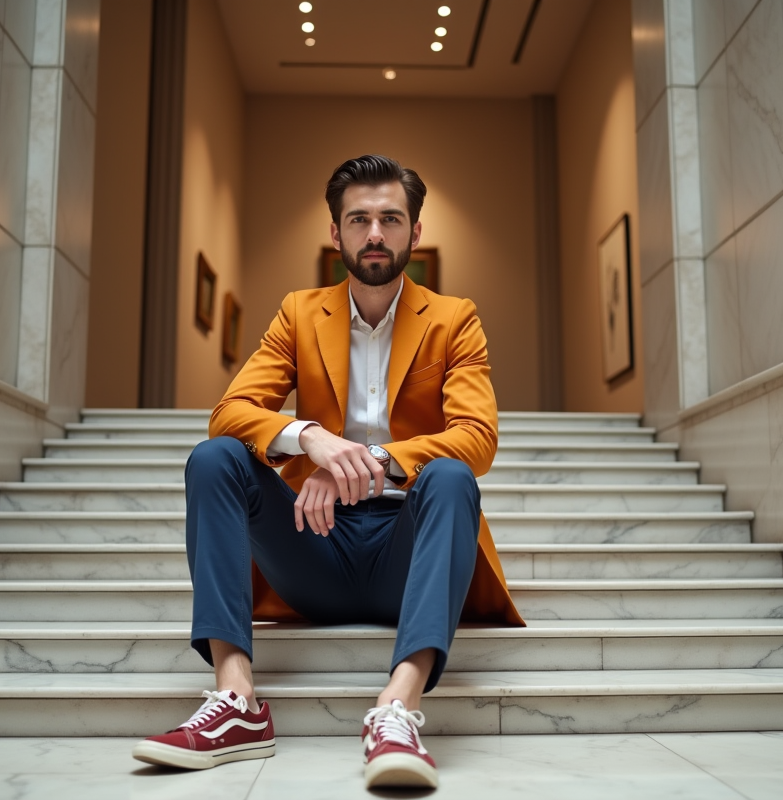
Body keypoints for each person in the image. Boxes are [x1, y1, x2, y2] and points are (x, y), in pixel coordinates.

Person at [131, 154, 522, 789]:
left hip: (407, 554)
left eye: (391, 219)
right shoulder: (299, 312)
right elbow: (228, 412)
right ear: (335, 232)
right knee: (215, 458)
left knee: (452, 476)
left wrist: (369, 462)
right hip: (312, 547)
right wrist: (310, 439)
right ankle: (236, 701)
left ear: (415, 231)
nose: (375, 233)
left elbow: (477, 438)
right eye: (359, 220)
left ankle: (397, 708)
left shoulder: (454, 319)